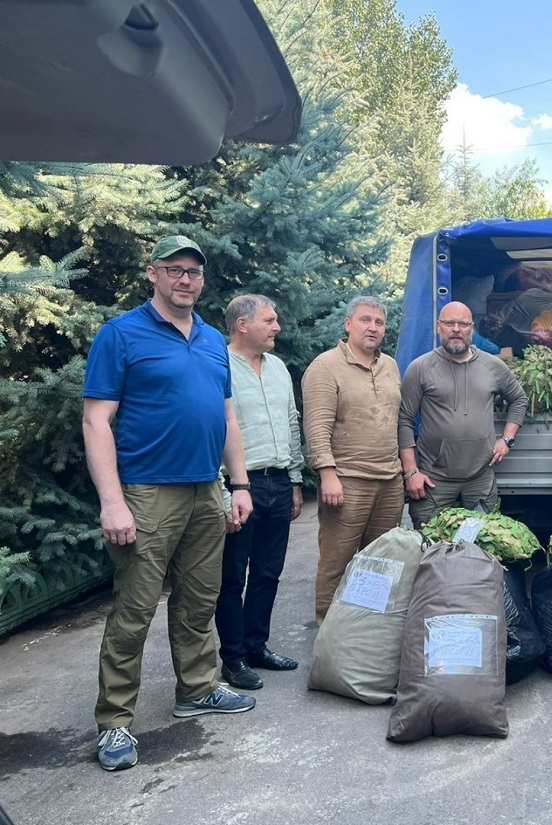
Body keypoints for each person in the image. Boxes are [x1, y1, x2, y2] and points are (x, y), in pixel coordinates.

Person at [83, 235, 256, 772]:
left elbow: (227, 418)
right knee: (133, 611)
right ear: (154, 274)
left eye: (194, 273)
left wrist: (240, 484)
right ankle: (114, 723)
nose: (186, 280)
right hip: (146, 491)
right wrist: (113, 502)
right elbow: (96, 421)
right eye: (175, 270)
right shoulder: (121, 334)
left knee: (199, 600)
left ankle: (197, 689)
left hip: (206, 488)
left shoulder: (209, 340)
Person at [214, 295, 304, 691]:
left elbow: (291, 421)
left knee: (268, 573)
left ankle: (257, 647)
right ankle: (232, 659)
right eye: (269, 320)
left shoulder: (279, 367)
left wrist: (296, 480)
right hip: (240, 486)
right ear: (242, 325)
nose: (277, 327)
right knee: (232, 577)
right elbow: (214, 429)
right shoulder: (218, 366)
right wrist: (225, 491)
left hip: (279, 482)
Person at [302, 296, 404, 625]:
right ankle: (329, 633)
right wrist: (327, 475)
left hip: (389, 481)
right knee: (337, 562)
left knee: (380, 562)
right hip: (347, 481)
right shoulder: (325, 366)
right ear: (348, 324)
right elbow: (316, 426)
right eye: (365, 320)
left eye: (379, 322)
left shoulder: (389, 365)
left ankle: (367, 631)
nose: (372, 327)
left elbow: (397, 420)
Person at [399, 301, 528, 526]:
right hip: (434, 480)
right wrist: (411, 472)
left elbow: (519, 399)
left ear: (472, 328)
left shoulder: (493, 366)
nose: (456, 329)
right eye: (449, 323)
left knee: (481, 546)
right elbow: (404, 420)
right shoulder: (420, 368)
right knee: (430, 547)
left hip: (480, 477)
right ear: (439, 327)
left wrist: (507, 439)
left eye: (463, 324)